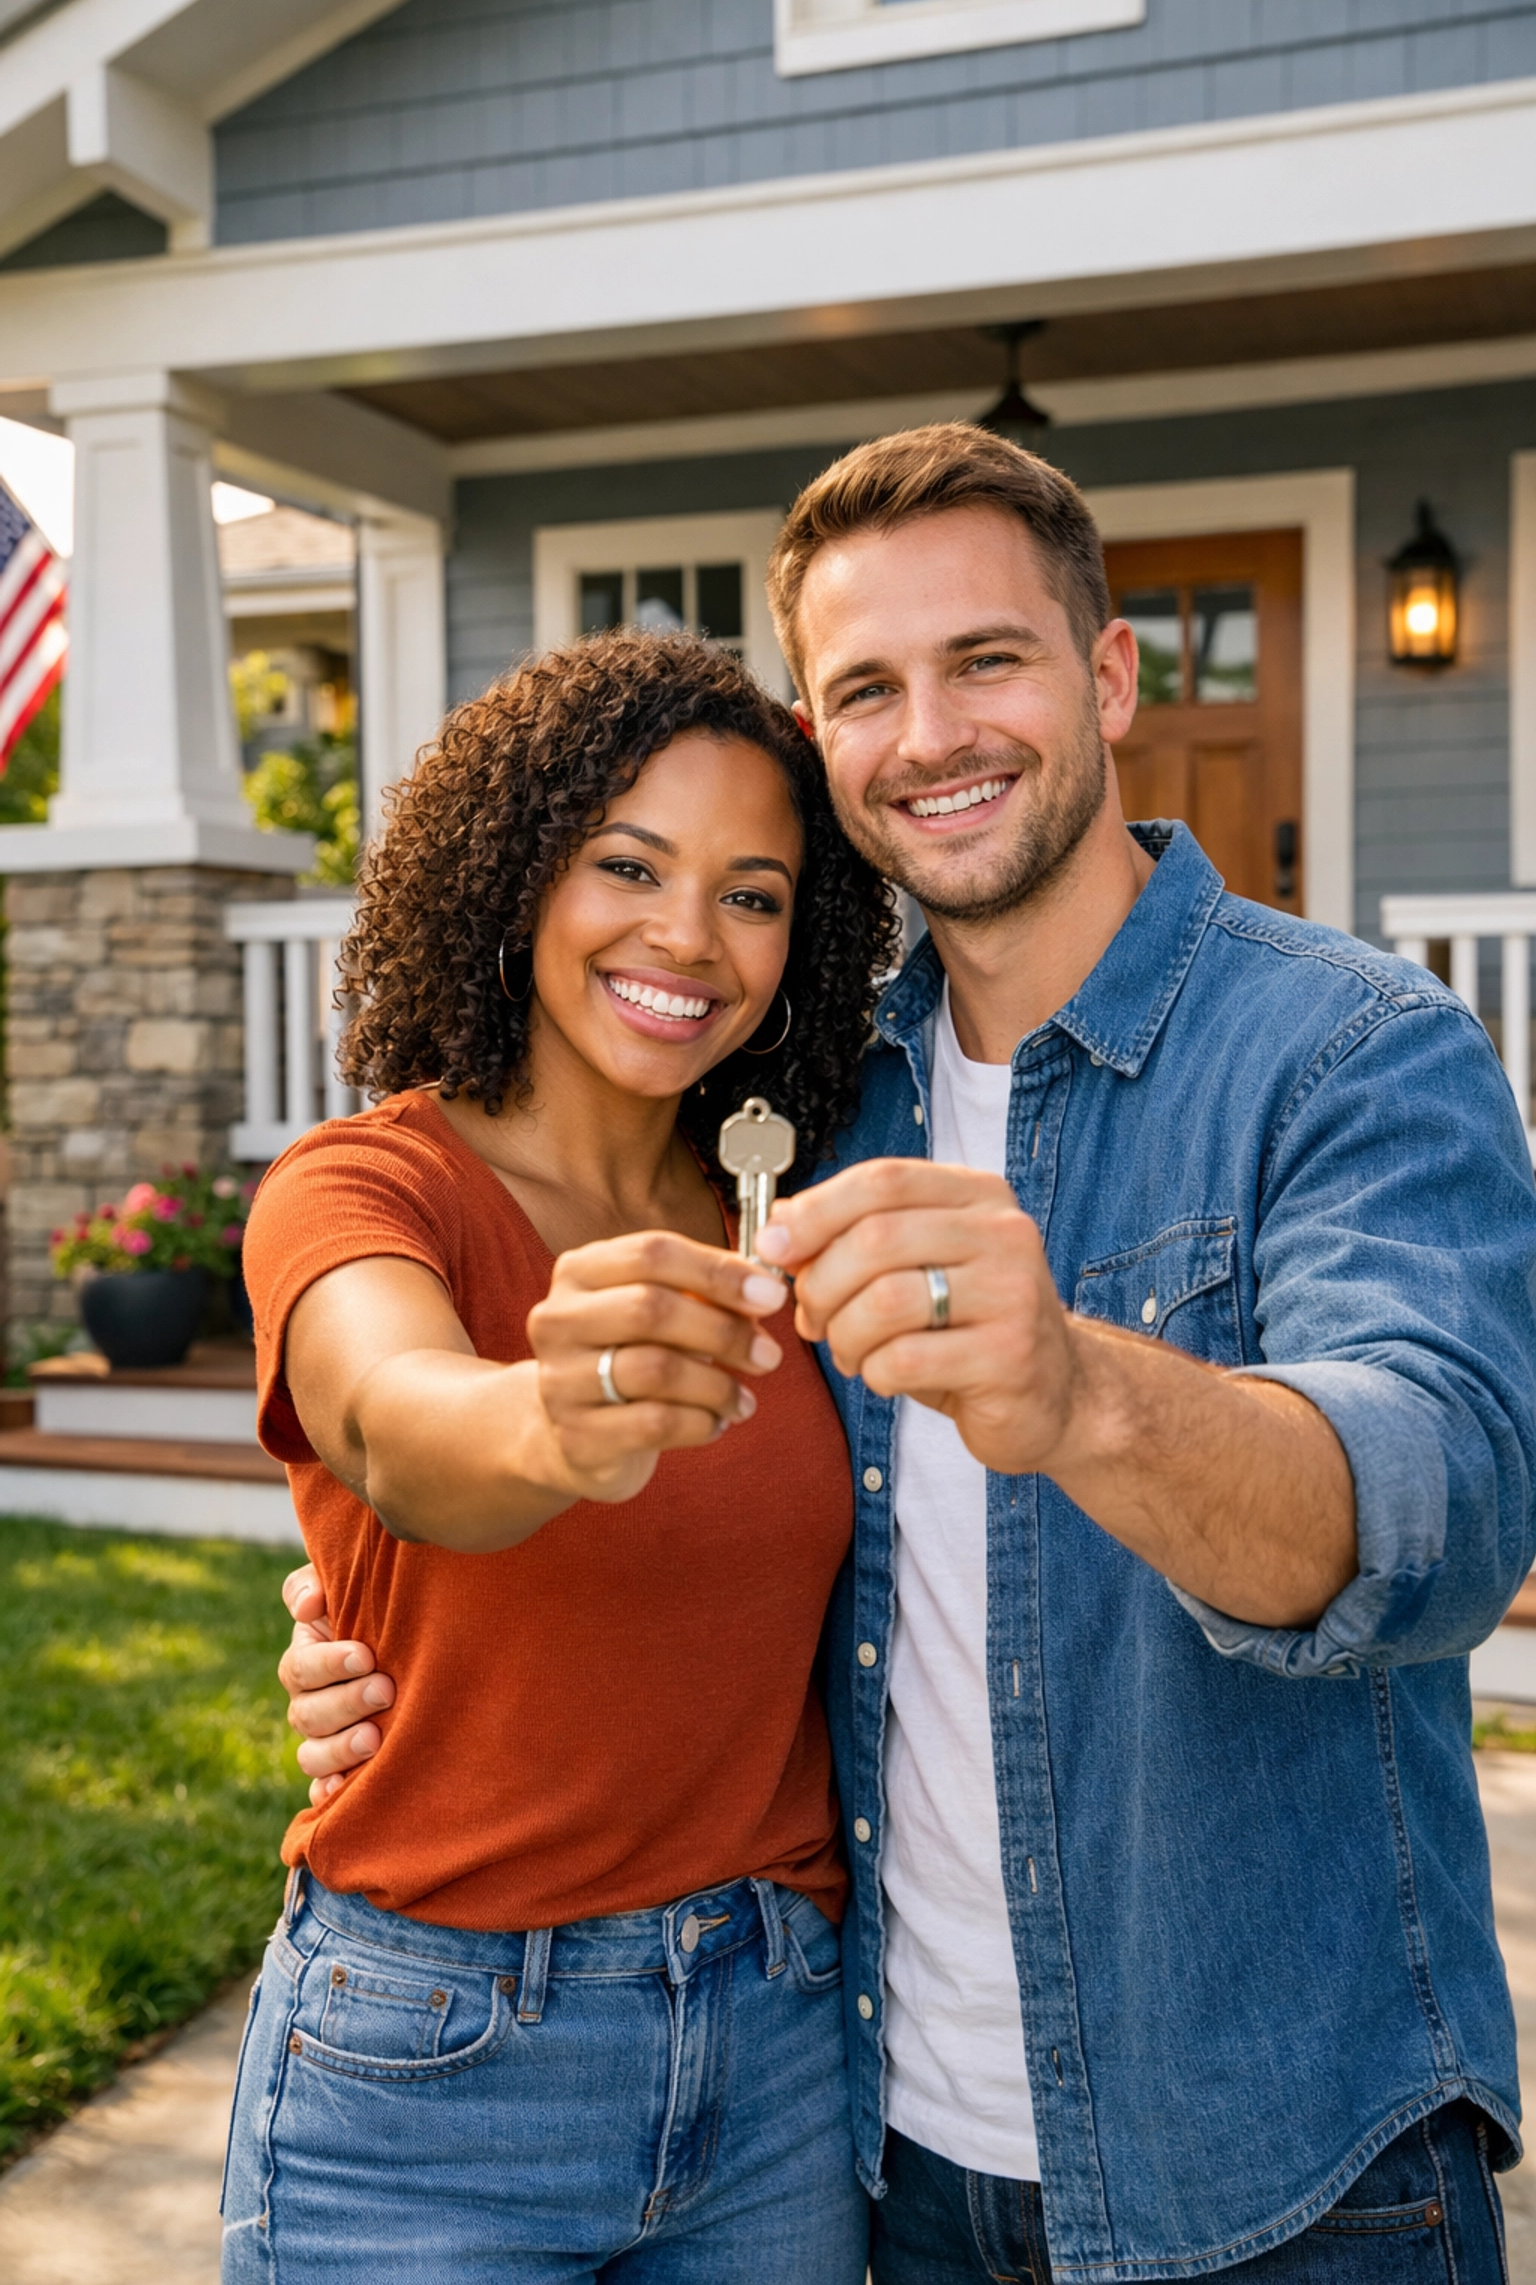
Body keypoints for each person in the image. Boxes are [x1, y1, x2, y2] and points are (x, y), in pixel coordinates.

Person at [280, 425, 1536, 2282]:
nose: (930, 732)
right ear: (821, 736)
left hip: (1279, 2166)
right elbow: (551, 1472)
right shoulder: (800, 1108)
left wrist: (1083, 1390)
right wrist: (386, 1618)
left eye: (989, 660)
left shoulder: (1345, 1053)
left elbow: (1446, 1507)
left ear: (1109, 677)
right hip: (877, 2151)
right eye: (866, 686)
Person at [220, 628, 895, 2284]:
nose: (688, 935)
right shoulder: (361, 1190)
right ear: (518, 875)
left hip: (778, 2050)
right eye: (628, 865)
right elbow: (396, 1423)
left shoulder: (799, 1212)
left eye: (752, 892)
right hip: (432, 2062)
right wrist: (552, 1416)